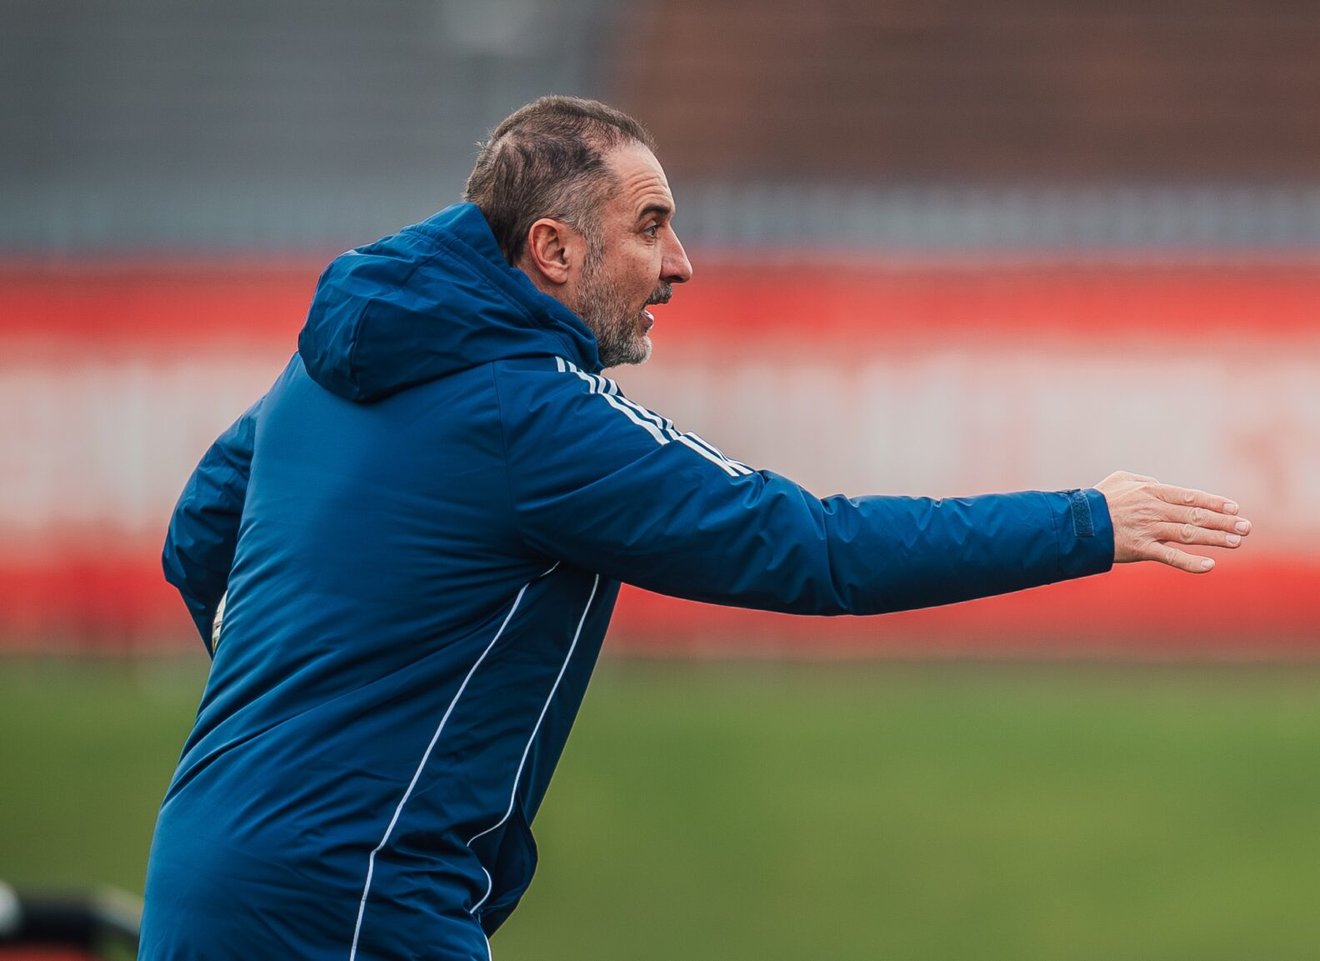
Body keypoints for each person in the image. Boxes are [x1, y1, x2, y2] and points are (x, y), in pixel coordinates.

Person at [139, 96, 1251, 960]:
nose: (681, 264)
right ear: (554, 253)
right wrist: (1087, 522)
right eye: (651, 227)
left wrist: (286, 730)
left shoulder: (331, 365)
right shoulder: (531, 416)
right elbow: (811, 548)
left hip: (202, 868)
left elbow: (198, 536)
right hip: (353, 898)